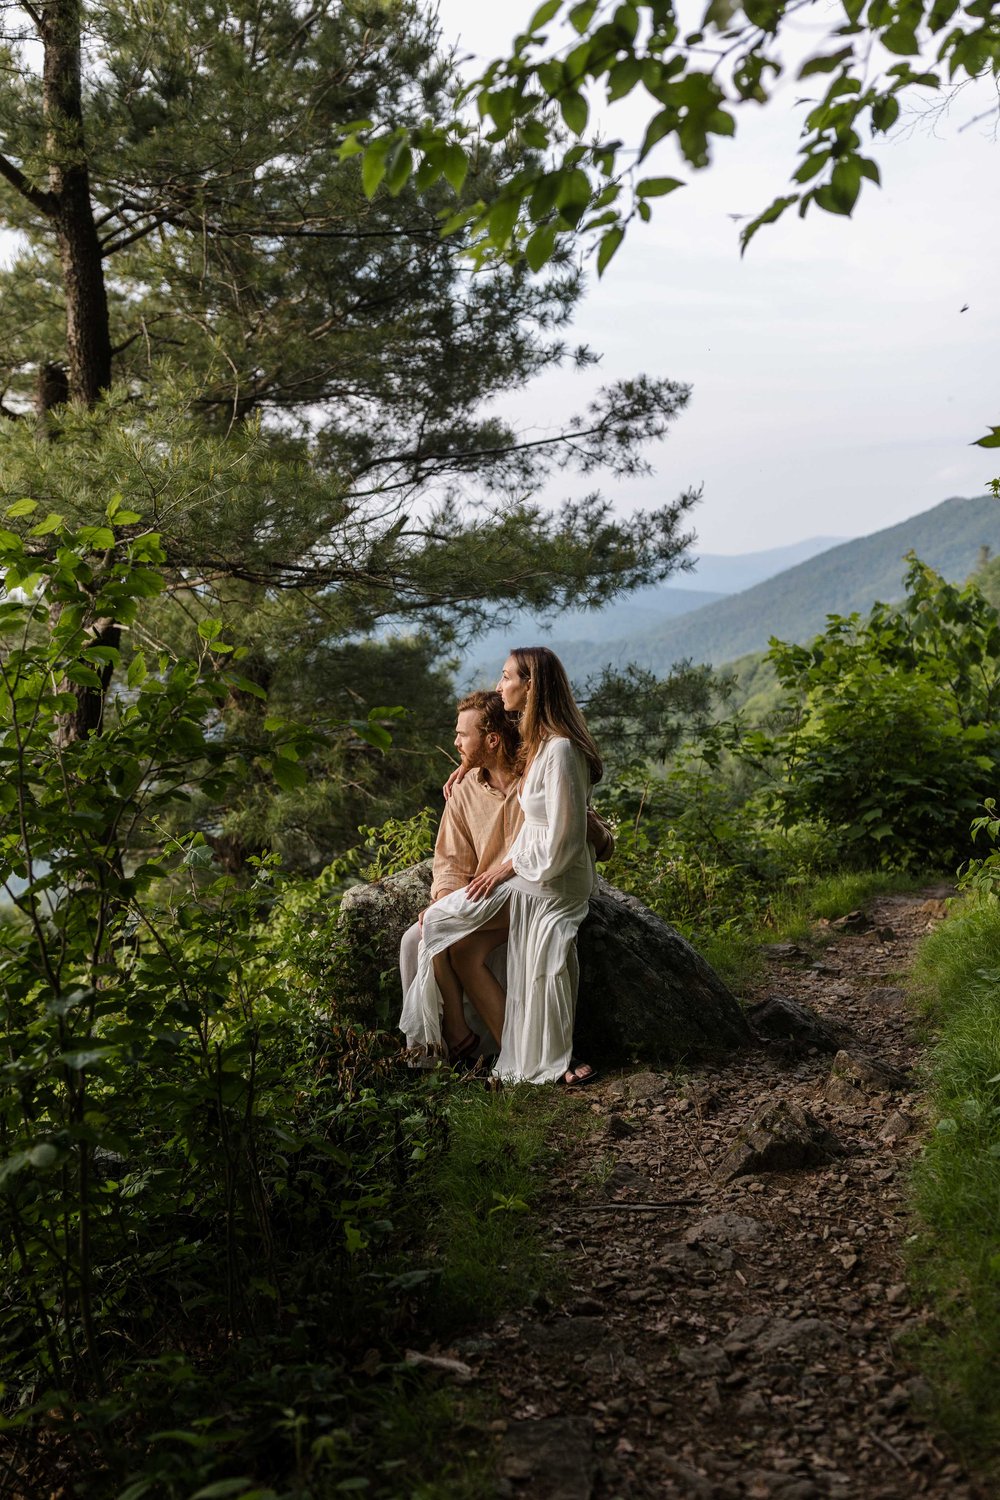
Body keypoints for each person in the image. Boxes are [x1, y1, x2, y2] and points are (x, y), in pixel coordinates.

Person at [399, 647, 604, 1086]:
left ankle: (525, 1055)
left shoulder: (548, 754)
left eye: (506, 675)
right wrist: (443, 897)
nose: (499, 683)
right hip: (519, 881)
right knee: (436, 936)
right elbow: (450, 862)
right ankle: (458, 1042)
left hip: (538, 883)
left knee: (440, 928)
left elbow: (569, 833)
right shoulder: (489, 776)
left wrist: (510, 866)